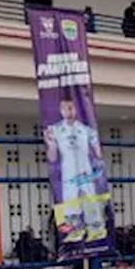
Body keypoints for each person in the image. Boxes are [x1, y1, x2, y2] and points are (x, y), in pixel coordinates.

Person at [44, 94, 107, 244]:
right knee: (71, 203)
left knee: (90, 200)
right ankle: (75, 230)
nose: (69, 111)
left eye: (72, 108)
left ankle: (96, 229)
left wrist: (97, 145)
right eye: (66, 108)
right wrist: (50, 143)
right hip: (68, 173)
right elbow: (52, 157)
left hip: (86, 172)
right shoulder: (55, 130)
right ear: (61, 110)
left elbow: (98, 154)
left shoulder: (86, 130)